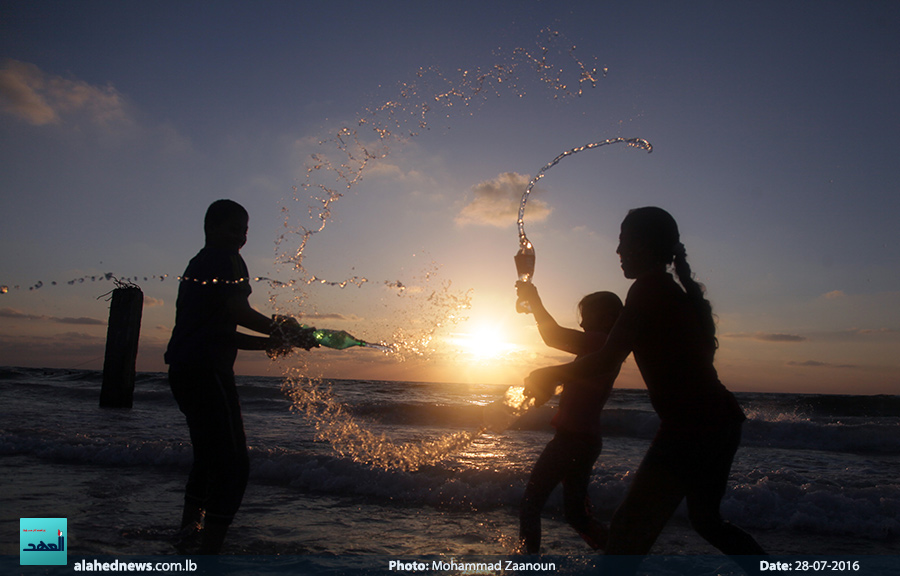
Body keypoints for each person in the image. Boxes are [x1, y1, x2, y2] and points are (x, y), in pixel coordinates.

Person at [526, 207, 765, 569]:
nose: (618, 251)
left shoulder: (647, 290)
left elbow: (607, 358)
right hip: (721, 423)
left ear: (642, 245)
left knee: (625, 536)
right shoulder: (669, 292)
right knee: (708, 523)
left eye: (623, 242)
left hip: (690, 429)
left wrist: (548, 374)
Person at [164, 199, 316, 554]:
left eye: (245, 231)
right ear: (211, 228)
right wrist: (284, 329)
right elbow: (237, 311)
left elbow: (221, 332)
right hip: (207, 373)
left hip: (184, 372)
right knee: (234, 465)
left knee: (206, 459)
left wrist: (271, 342)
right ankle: (210, 551)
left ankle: (188, 535)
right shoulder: (226, 259)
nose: (241, 238)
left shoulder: (196, 266)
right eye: (234, 228)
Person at [516, 282, 623, 554]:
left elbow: (552, 336)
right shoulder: (597, 351)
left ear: (608, 319)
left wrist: (535, 302)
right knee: (576, 515)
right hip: (585, 440)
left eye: (588, 316)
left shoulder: (602, 344)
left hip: (571, 441)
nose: (583, 324)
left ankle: (528, 566)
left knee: (531, 504)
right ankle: (619, 555)